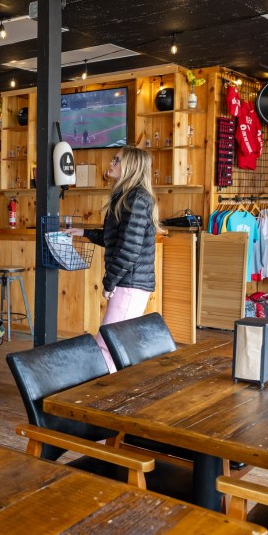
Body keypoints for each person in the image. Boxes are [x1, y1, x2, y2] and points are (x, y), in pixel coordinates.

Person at [65, 146, 160, 372]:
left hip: (130, 284)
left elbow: (128, 249)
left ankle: (102, 395)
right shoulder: (129, 196)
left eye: (116, 160)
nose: (111, 163)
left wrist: (110, 282)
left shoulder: (137, 199)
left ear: (130, 167)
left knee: (107, 344)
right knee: (120, 343)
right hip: (130, 283)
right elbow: (117, 238)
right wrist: (86, 233)